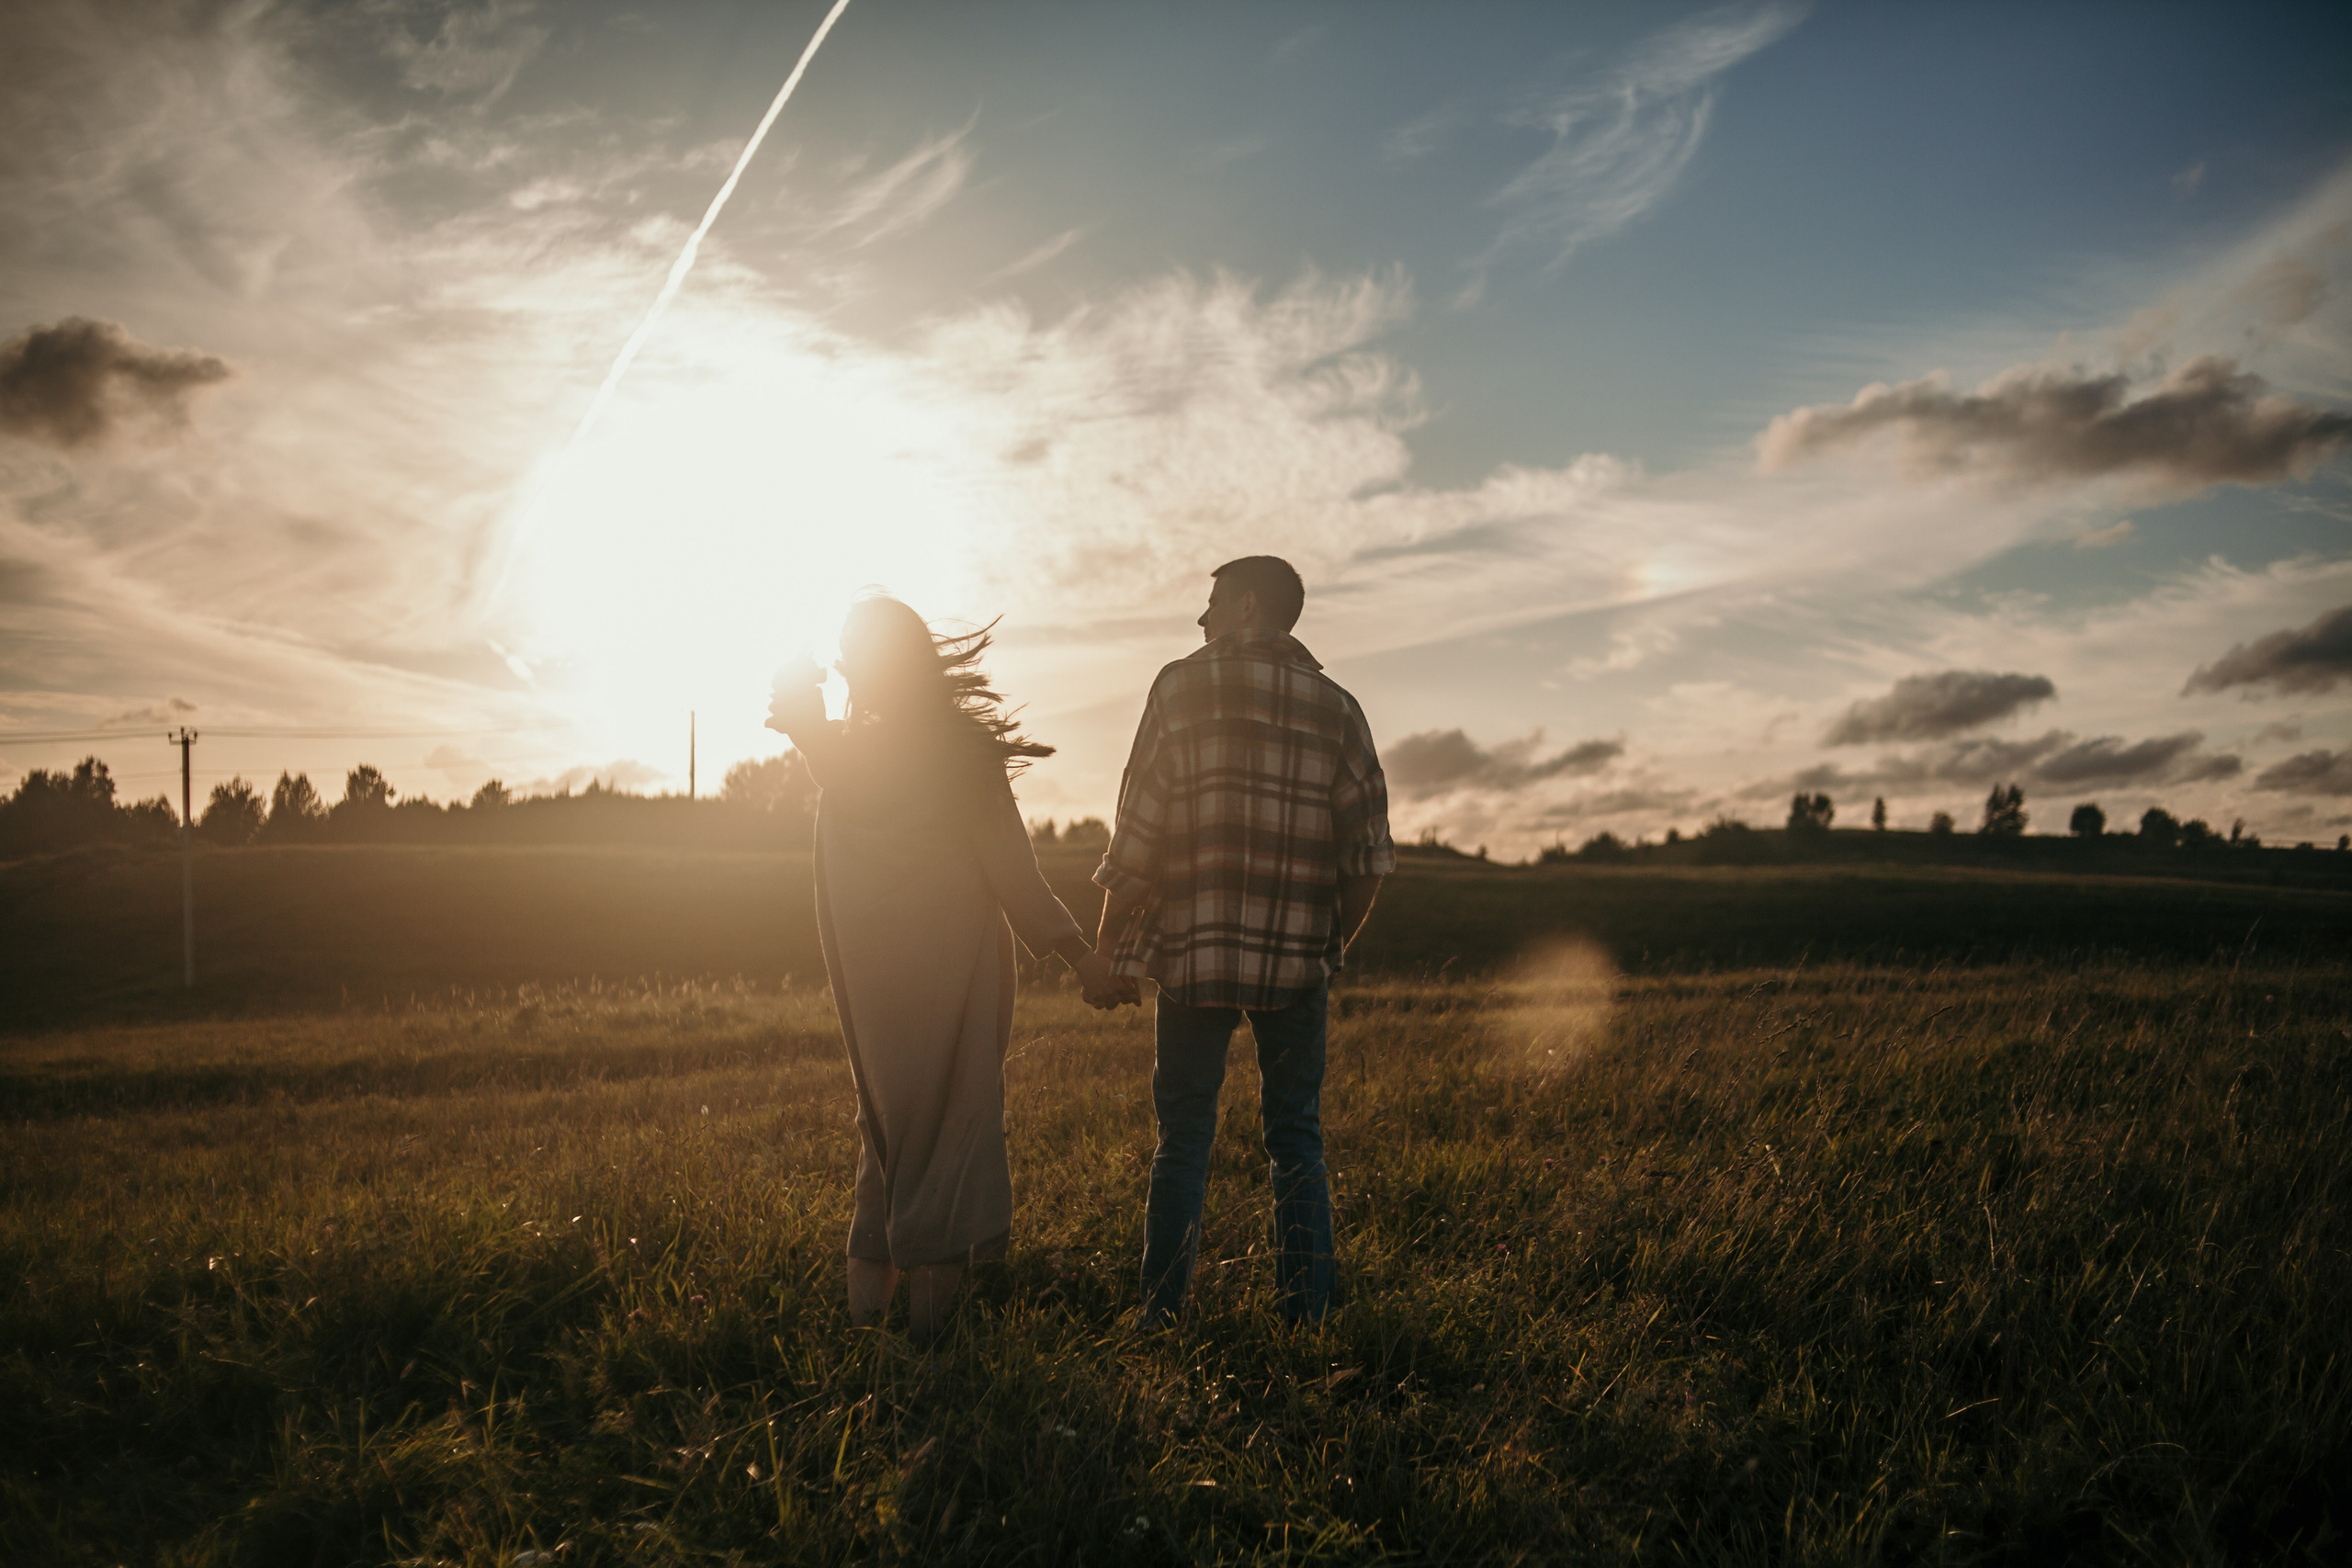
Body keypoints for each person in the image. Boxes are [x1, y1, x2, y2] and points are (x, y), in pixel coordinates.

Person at [766, 594, 1122, 1340]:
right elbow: (1013, 871)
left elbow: (797, 704)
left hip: (873, 991)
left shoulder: (844, 753)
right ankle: (931, 1349)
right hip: (950, 980)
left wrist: (802, 676)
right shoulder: (959, 755)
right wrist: (1081, 955)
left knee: (887, 1138)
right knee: (950, 1137)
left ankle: (868, 1338)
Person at [1090, 556, 1394, 1325]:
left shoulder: (1178, 688)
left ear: (1250, 604)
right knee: (1297, 1138)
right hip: (1297, 966)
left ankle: (1162, 1315)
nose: (1203, 617)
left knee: (1183, 1137)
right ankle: (1306, 1318)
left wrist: (1105, 946)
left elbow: (1137, 835)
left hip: (1193, 955)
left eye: (1215, 600)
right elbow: (1368, 858)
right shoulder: (1340, 708)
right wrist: (1328, 945)